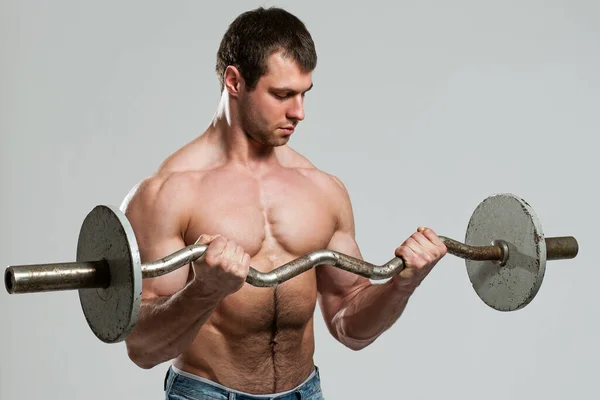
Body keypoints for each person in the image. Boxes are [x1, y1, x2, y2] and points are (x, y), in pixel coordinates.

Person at [120, 6, 447, 400]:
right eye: (282, 95)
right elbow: (143, 348)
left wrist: (401, 285)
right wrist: (205, 290)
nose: (300, 112)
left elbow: (349, 325)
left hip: (304, 392)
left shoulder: (321, 190)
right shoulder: (168, 193)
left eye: (304, 94)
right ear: (234, 81)